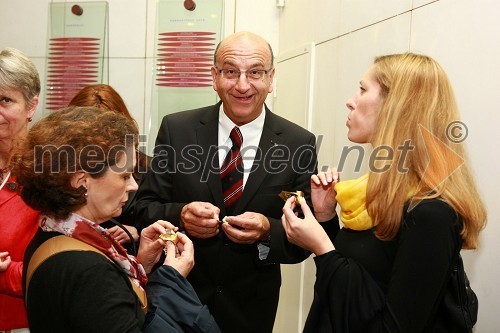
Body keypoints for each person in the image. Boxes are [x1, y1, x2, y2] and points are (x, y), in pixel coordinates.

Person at [281, 53, 487, 332]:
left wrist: (322, 248)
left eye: (363, 90)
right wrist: (326, 218)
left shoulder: (431, 213)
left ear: (397, 107)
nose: (351, 100)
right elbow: (355, 284)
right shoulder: (376, 194)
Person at [135, 31, 317, 332]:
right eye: (231, 72)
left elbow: (305, 242)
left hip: (251, 309)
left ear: (271, 79)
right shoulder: (177, 129)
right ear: (214, 76)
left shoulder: (299, 143)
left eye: (255, 72)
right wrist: (179, 215)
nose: (242, 85)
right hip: (177, 300)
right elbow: (141, 209)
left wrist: (266, 231)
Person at [14, 106, 220, 332]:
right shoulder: (88, 270)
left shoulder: (53, 234)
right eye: (124, 175)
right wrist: (170, 281)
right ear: (82, 180)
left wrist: (143, 264)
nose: (133, 185)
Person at [68, 84, 151, 254]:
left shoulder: (150, 168)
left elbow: (166, 222)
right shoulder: (60, 169)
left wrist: (138, 232)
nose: (100, 140)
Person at [0, 47, 41, 332]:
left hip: (23, 324)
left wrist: (4, 275)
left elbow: (60, 265)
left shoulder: (49, 172)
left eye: (5, 100)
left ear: (31, 106)